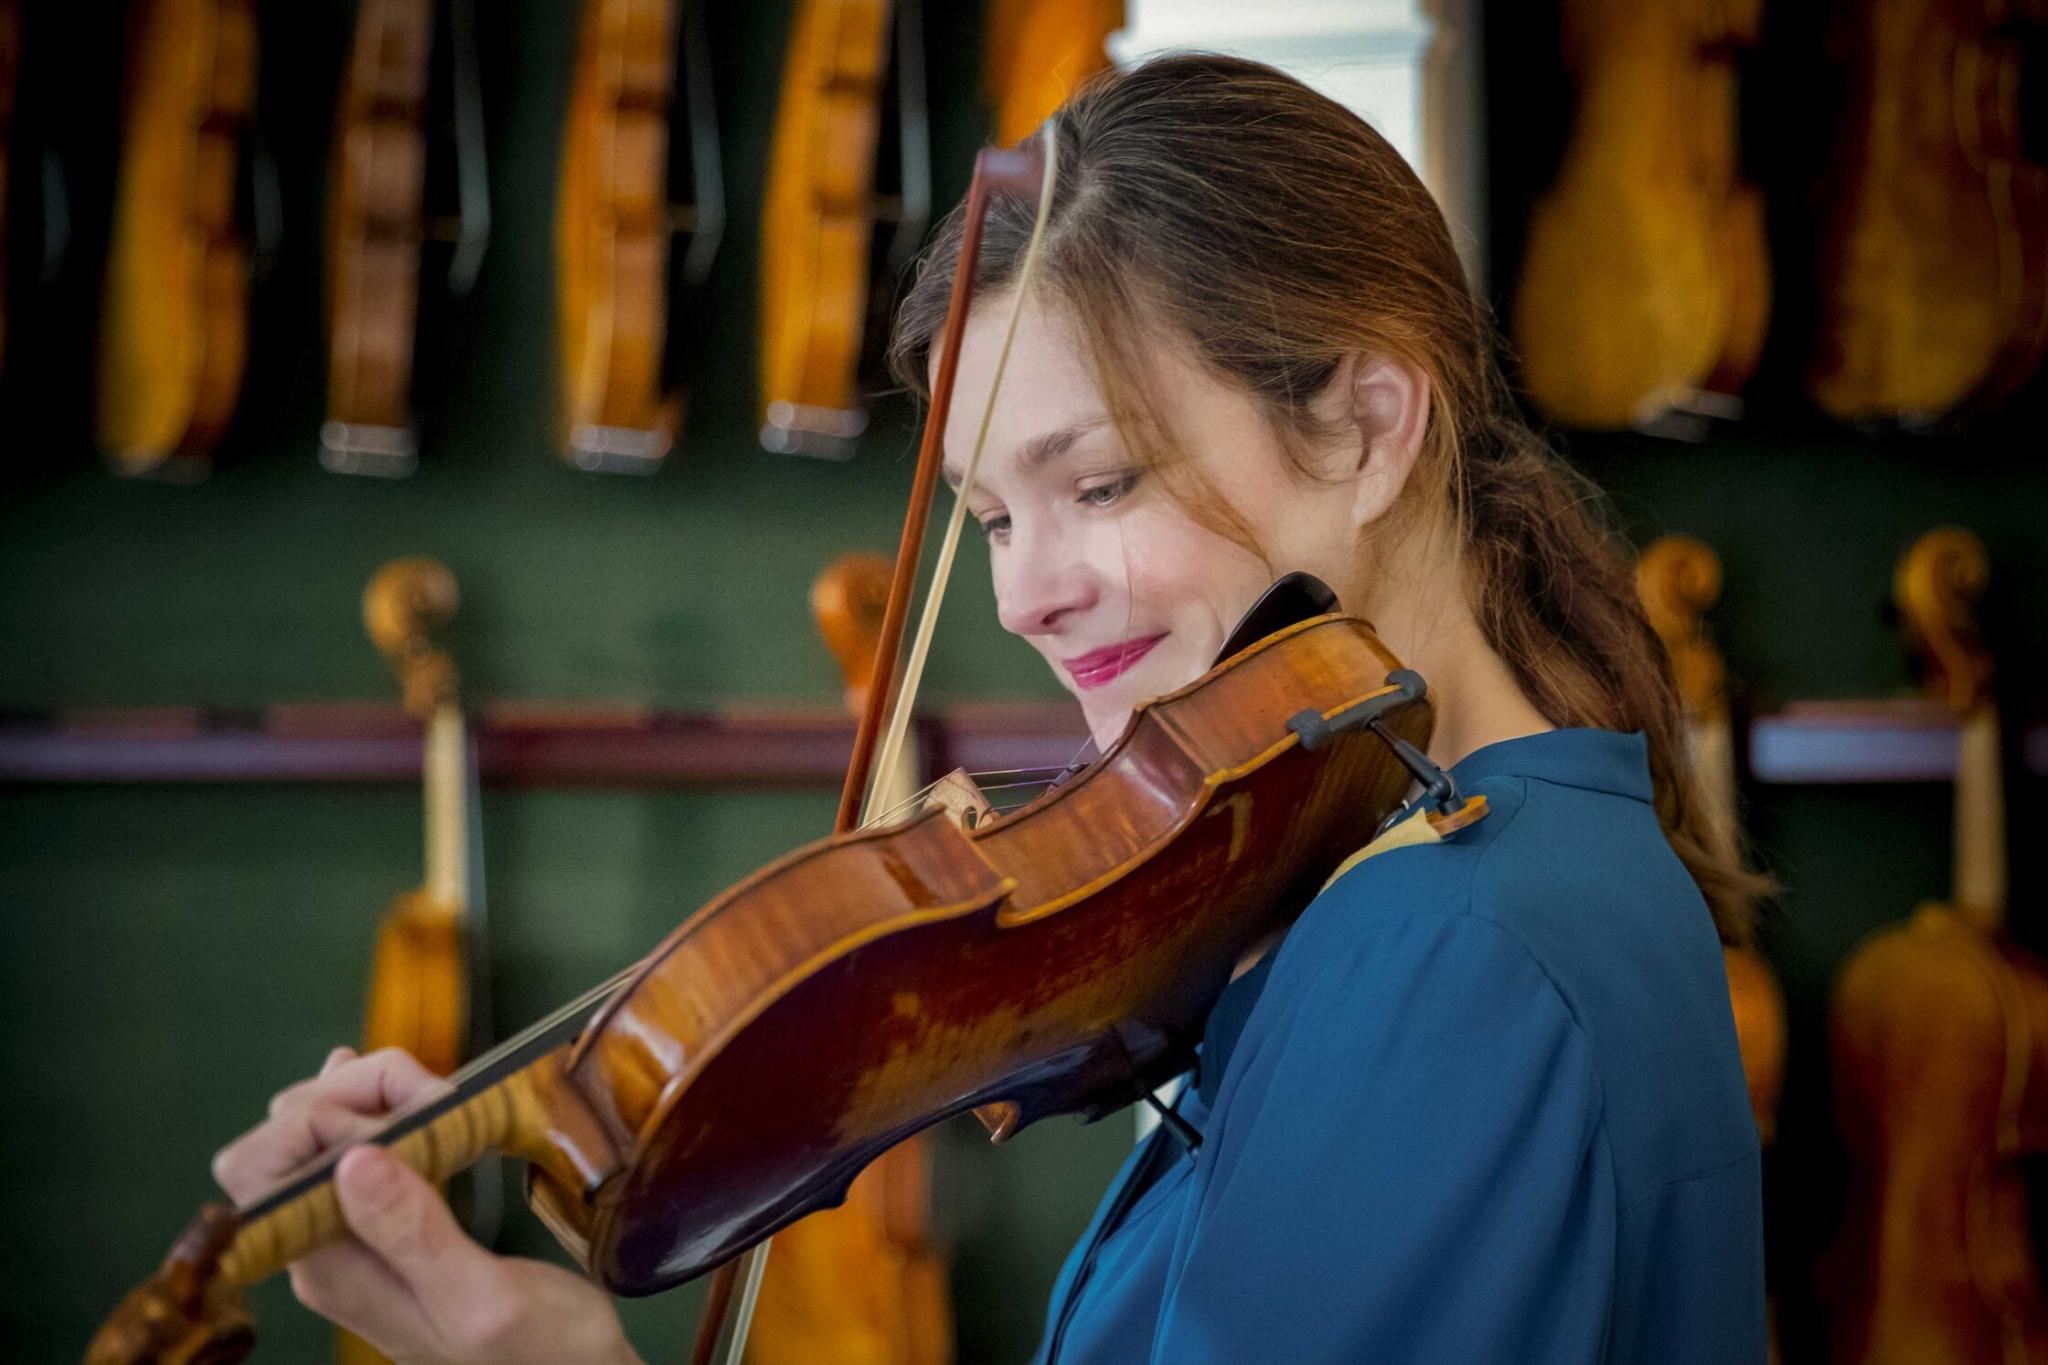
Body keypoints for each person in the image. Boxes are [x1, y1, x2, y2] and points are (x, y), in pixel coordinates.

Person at [211, 53, 1772, 1365]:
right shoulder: (1527, 848)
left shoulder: (1440, 948)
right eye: (993, 515)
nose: (1024, 597)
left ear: (1368, 423)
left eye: (1098, 482)